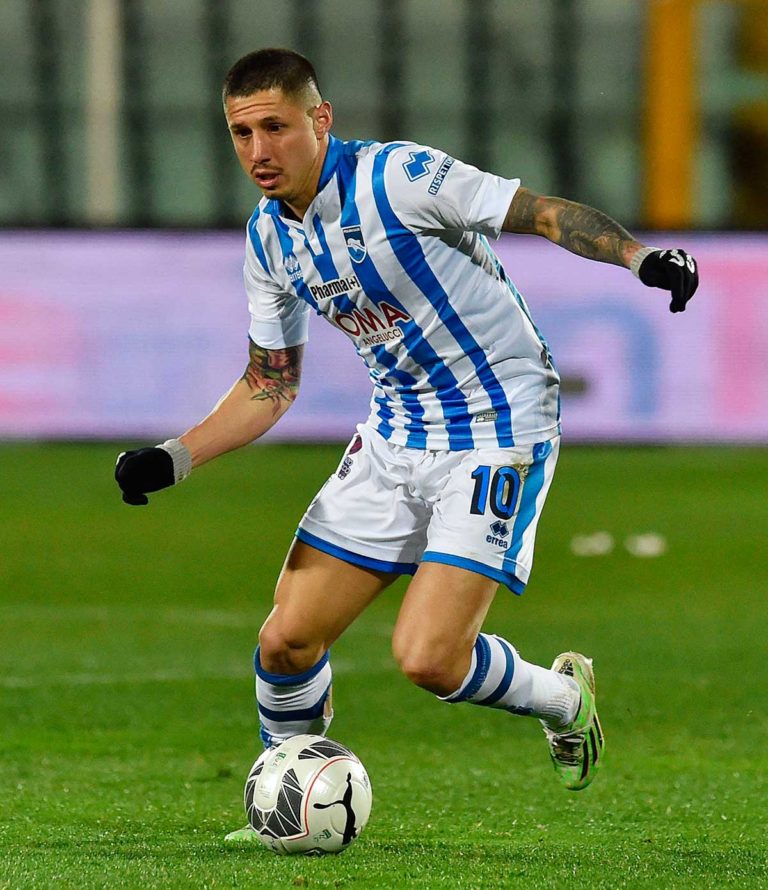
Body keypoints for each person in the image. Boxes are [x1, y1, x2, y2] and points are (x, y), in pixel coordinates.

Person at [114, 48, 698, 837]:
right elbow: (270, 382)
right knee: (285, 642)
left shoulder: (400, 179)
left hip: (500, 425)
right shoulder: (269, 241)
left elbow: (546, 214)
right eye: (241, 132)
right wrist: (176, 456)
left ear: (320, 121)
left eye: (276, 127)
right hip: (396, 434)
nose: (258, 151)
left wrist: (639, 257)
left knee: (428, 659)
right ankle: (283, 807)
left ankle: (565, 697)